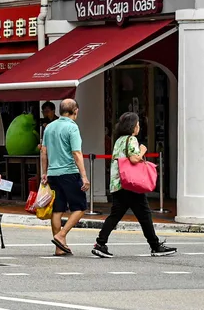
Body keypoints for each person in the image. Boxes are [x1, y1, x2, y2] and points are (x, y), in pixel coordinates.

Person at [92, 112, 175, 258]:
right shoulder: (131, 139)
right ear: (132, 126)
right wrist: (143, 149)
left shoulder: (118, 140)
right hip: (130, 185)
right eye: (137, 124)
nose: (139, 127)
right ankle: (155, 246)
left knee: (116, 215)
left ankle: (100, 243)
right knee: (145, 215)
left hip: (118, 184)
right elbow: (134, 159)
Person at [40, 97, 88, 256]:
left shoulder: (49, 127)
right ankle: (61, 236)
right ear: (76, 111)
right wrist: (84, 175)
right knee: (80, 208)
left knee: (57, 210)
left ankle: (59, 248)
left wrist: (44, 172)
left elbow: (43, 152)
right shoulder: (72, 128)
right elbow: (76, 153)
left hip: (53, 174)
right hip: (69, 173)